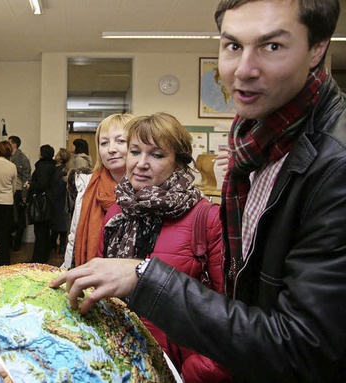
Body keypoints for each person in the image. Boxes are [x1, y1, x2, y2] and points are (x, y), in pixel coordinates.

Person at [51, 0, 346, 381]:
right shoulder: (255, 150)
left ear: (317, 48)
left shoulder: (332, 166)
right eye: (233, 46)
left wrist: (147, 279)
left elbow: (305, 347)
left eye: (272, 46)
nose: (243, 70)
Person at [98, 113, 231, 382]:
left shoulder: (206, 218)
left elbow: (225, 309)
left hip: (177, 367)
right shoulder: (117, 212)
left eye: (157, 155)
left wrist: (198, 369)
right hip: (118, 357)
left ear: (178, 163)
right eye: (135, 152)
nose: (141, 164)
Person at [62, 113, 135, 269]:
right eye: (104, 143)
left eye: (121, 141)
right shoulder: (86, 186)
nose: (111, 149)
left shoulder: (149, 194)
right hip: (88, 279)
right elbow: (74, 238)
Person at [28, 144, 57, 264]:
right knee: (45, 232)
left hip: (41, 203)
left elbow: (42, 184)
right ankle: (43, 257)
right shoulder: (52, 165)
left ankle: (38, 259)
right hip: (49, 202)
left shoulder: (42, 166)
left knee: (40, 232)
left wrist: (31, 185)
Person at [7, 135, 32, 251]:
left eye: (9, 142)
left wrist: (24, 195)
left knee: (19, 219)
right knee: (10, 219)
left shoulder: (22, 159)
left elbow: (27, 179)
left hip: (18, 192)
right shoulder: (7, 155)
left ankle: (17, 242)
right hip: (9, 192)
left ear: (14, 144)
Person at [50, 148, 71, 256]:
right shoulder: (57, 168)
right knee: (57, 222)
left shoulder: (64, 170)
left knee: (60, 223)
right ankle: (55, 245)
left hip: (60, 198)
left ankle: (60, 246)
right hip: (58, 199)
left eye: (58, 154)